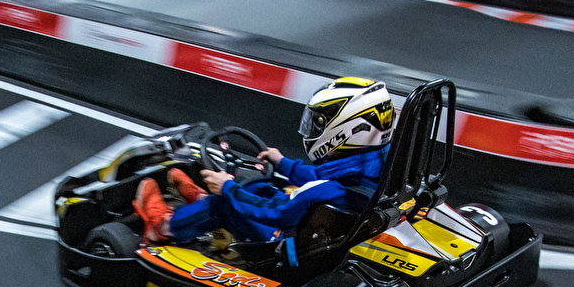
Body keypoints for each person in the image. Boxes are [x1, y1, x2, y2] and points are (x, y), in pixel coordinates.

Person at [134, 77, 398, 246]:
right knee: (259, 188)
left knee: (223, 204)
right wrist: (283, 163)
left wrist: (227, 188)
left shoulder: (322, 191)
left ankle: (164, 227)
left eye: (319, 123)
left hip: (281, 241)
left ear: (345, 131)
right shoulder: (377, 169)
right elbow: (326, 180)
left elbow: (275, 212)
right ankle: (199, 204)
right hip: (319, 229)